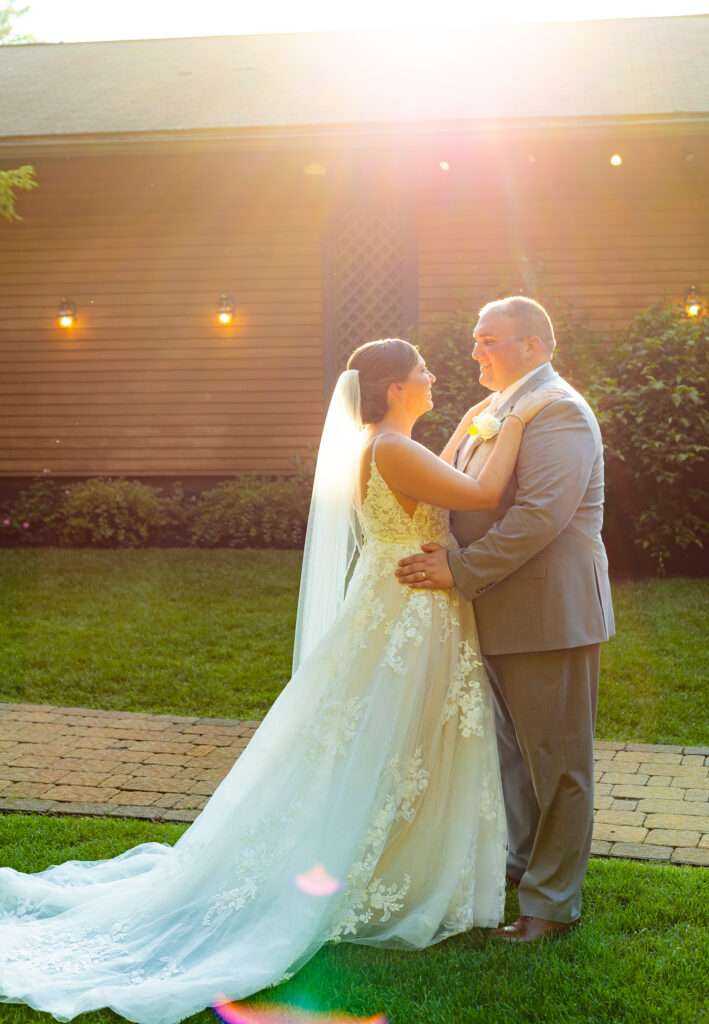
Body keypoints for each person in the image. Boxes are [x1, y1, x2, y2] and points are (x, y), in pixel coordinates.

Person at [0, 338, 558, 1024]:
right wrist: (518, 422)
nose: (433, 375)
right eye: (421, 371)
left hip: (403, 603)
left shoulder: (389, 445)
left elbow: (442, 482)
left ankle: (396, 865)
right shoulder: (389, 447)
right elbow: (481, 491)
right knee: (392, 741)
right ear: (392, 389)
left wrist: (483, 422)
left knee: (398, 742)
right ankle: (377, 870)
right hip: (409, 613)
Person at [396, 298, 615, 943]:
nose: (474, 353)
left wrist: (461, 569)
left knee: (557, 763)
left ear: (534, 346)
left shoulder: (560, 411)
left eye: (488, 340)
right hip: (491, 609)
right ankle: (519, 871)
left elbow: (542, 515)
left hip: (550, 613)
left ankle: (550, 906)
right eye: (474, 340)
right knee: (508, 761)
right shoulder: (488, 411)